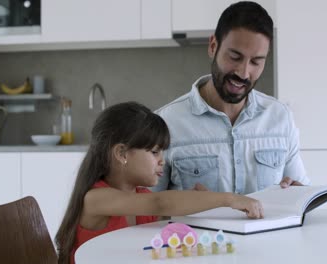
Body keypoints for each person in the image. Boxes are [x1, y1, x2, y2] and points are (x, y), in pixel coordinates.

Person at [55, 102, 263, 264]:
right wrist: (228, 199)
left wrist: (197, 200)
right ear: (121, 153)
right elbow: (161, 203)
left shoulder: (141, 197)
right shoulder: (96, 199)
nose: (162, 160)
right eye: (155, 152)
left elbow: (171, 213)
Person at [153, 1, 310, 195]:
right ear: (213, 46)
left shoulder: (280, 117)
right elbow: (146, 212)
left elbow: (301, 195)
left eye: (256, 62)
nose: (244, 73)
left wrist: (296, 195)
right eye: (235, 57)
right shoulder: (165, 123)